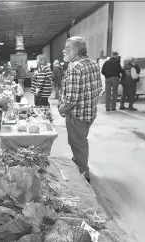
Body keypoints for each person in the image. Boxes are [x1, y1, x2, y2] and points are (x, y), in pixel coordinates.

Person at [58, 36, 102, 183]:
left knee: (78, 143)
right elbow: (99, 89)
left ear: (76, 51)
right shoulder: (93, 63)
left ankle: (83, 175)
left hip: (77, 115)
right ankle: (79, 163)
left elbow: (71, 99)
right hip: (90, 113)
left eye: (67, 48)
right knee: (81, 141)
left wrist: (62, 109)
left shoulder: (74, 66)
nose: (64, 51)